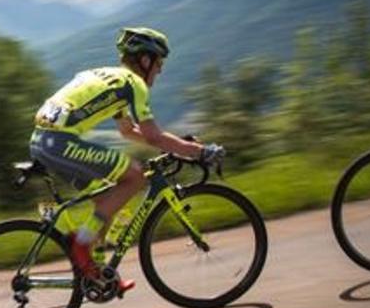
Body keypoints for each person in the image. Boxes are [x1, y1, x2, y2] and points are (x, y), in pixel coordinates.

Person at [30, 27, 224, 289]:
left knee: (105, 198)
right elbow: (153, 136)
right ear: (146, 60)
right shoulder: (134, 85)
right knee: (133, 177)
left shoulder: (113, 80)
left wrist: (177, 144)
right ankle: (81, 243)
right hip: (59, 142)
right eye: (159, 63)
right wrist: (201, 152)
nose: (161, 70)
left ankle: (97, 275)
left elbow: (129, 132)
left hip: (44, 141)